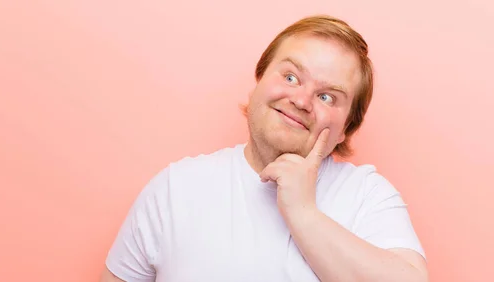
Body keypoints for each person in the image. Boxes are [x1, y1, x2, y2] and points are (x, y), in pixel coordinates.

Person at [100, 15, 428, 282]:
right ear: (260, 79)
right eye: (290, 77)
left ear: (346, 129)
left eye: (327, 97)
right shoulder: (175, 188)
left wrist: (303, 213)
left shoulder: (368, 197)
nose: (300, 101)